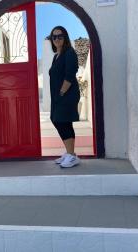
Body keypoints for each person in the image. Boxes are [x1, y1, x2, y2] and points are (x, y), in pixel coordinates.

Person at [48, 26, 81, 168]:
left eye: (59, 36)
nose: (56, 39)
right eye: (54, 37)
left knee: (62, 121)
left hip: (66, 94)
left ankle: (72, 155)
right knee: (60, 121)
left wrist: (61, 93)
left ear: (65, 37)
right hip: (58, 96)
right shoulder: (57, 56)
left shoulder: (69, 53)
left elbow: (69, 75)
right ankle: (70, 154)